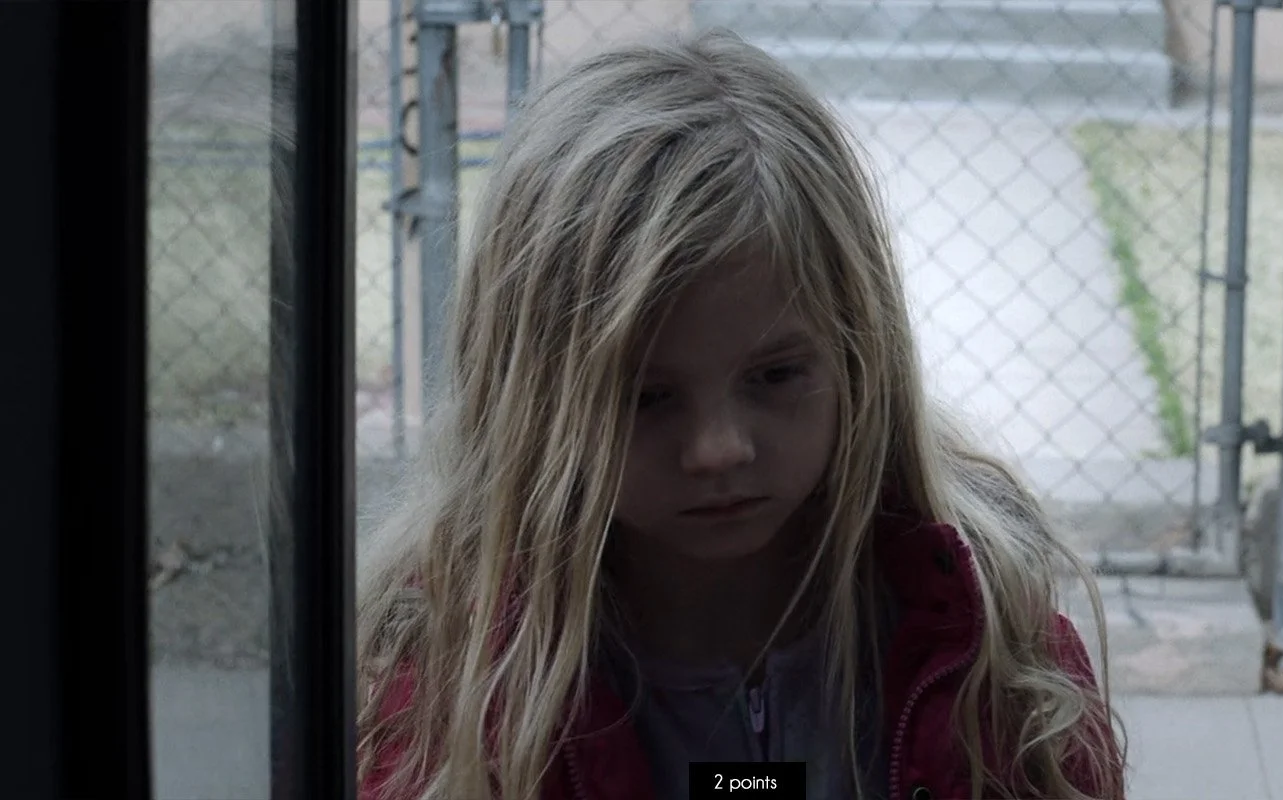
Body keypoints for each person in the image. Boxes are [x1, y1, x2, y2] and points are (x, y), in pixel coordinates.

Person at [356, 29, 1126, 800]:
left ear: (860, 354)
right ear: (533, 398)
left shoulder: (986, 635)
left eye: (775, 375)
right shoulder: (444, 683)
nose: (718, 449)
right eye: (646, 396)